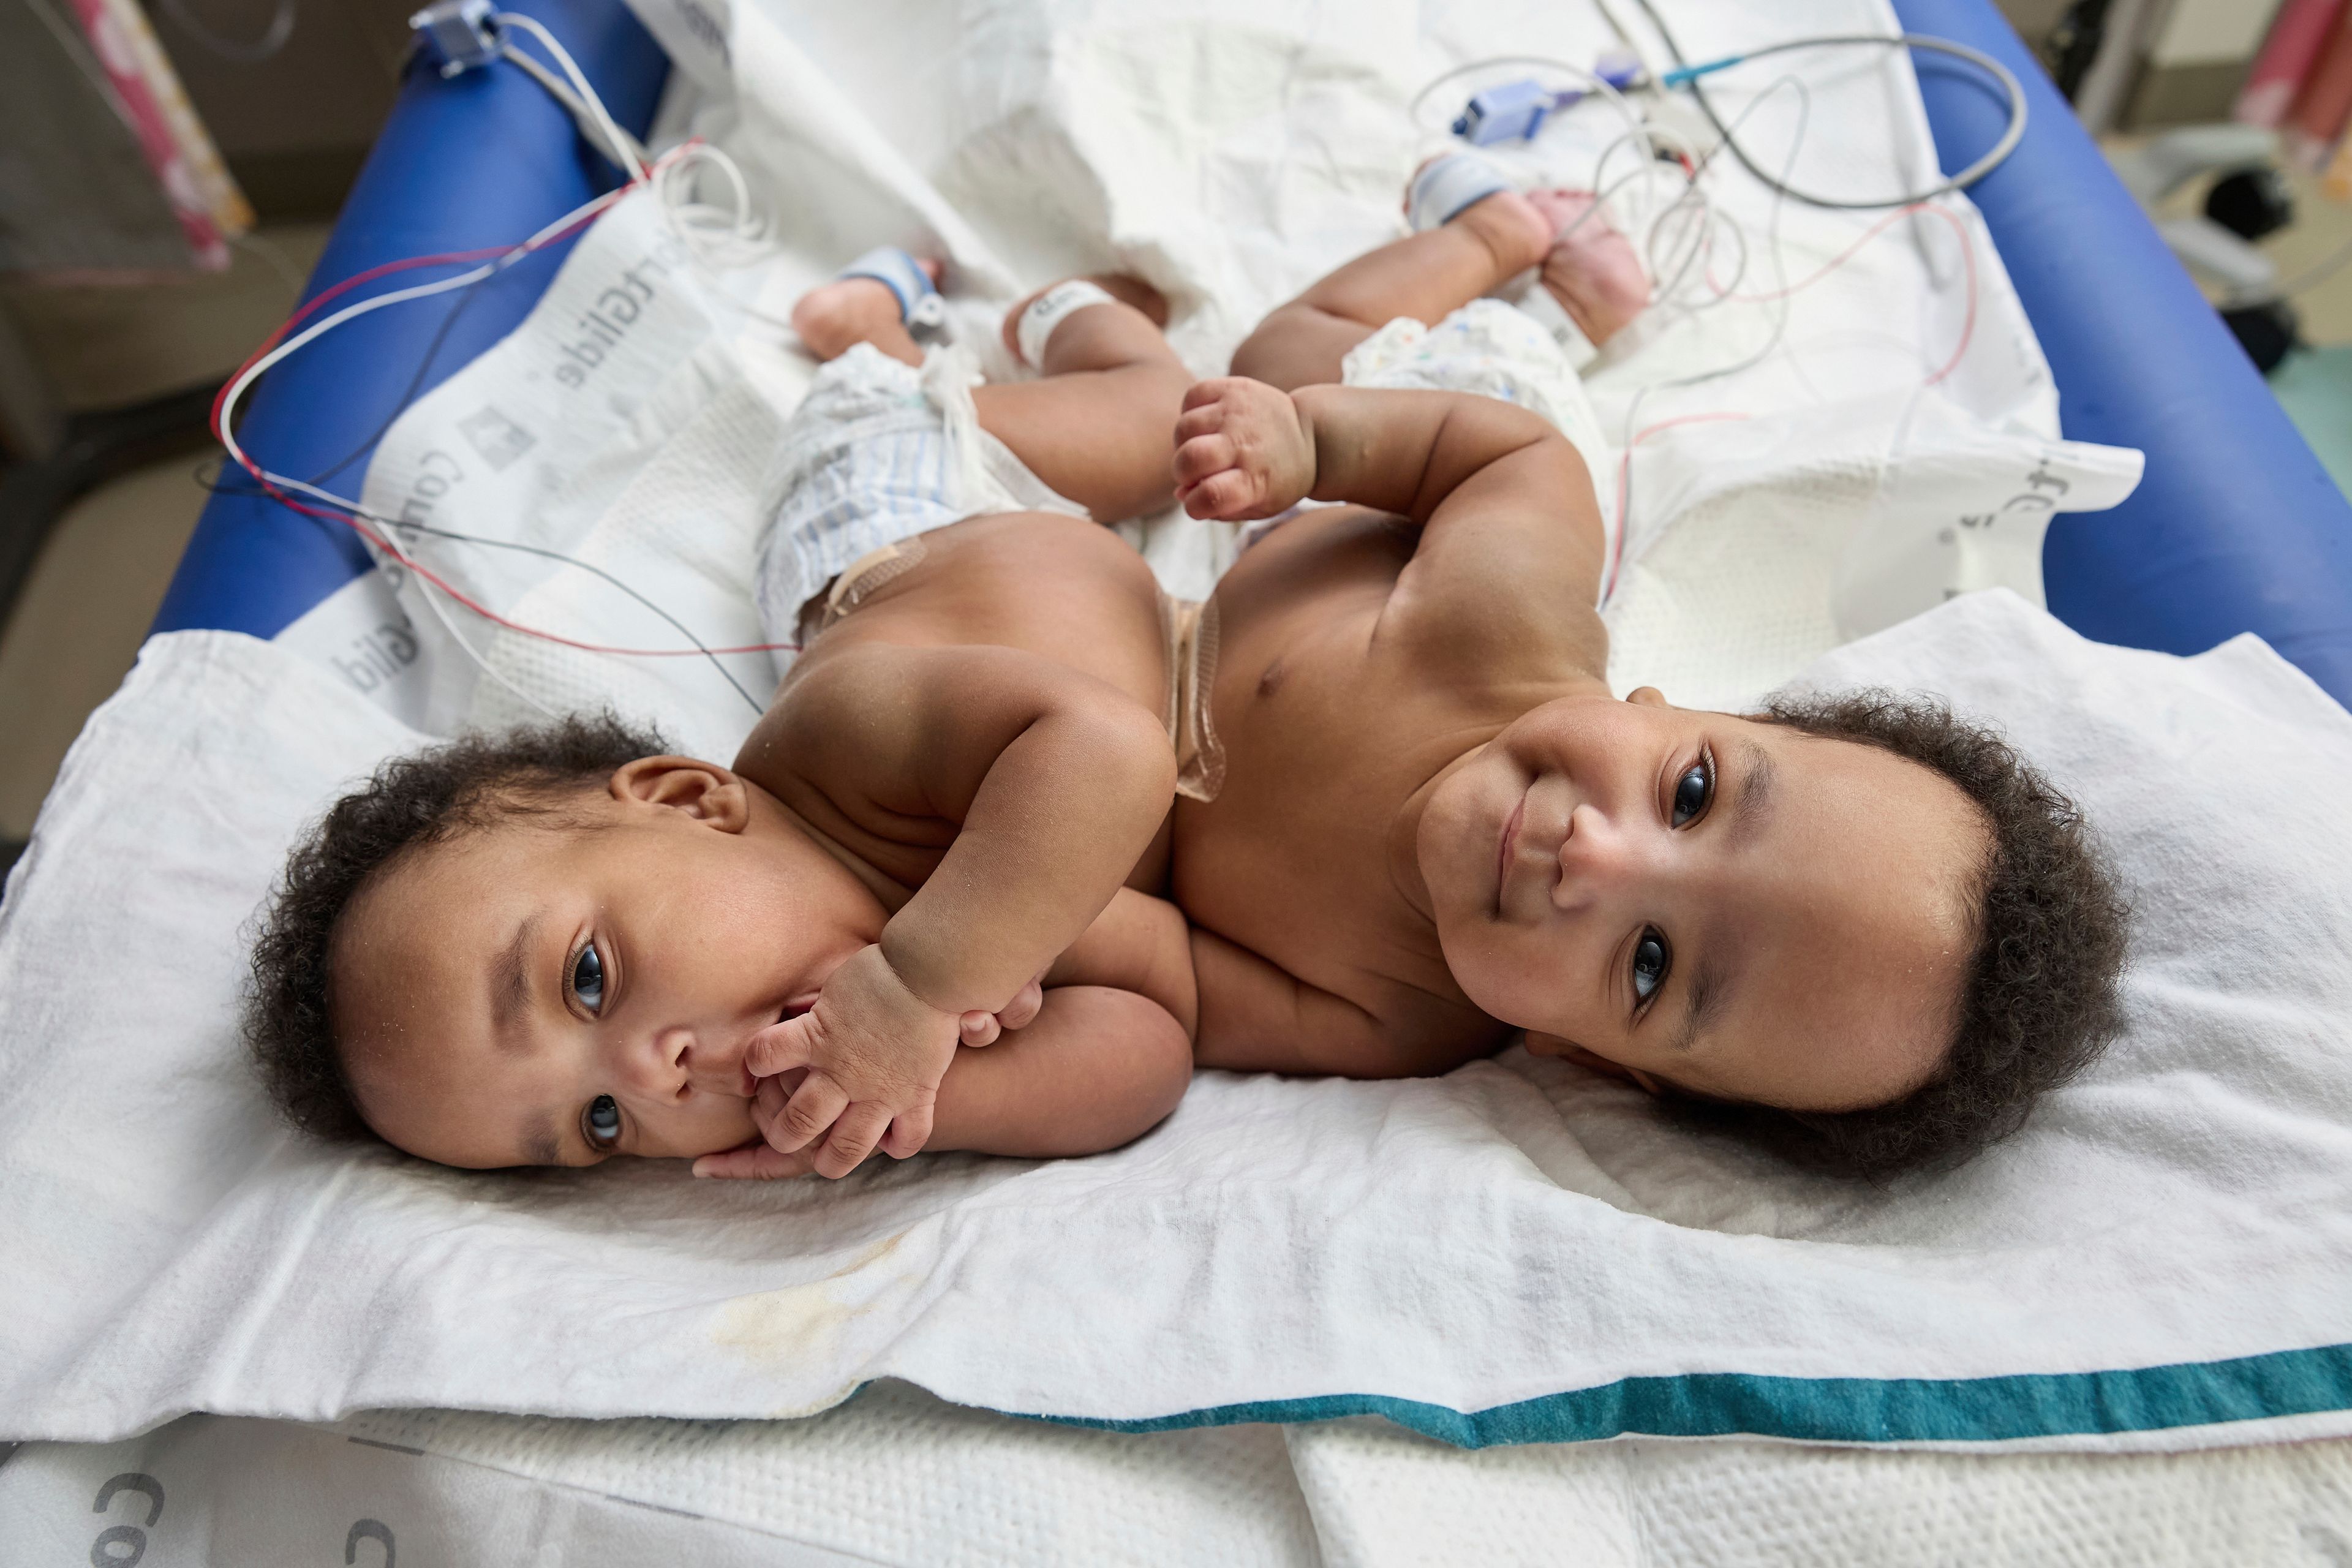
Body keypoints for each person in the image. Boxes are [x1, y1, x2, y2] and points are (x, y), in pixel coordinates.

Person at [1163, 155, 2129, 1175]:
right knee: (1279, 354)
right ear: (1675, 710)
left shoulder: (1389, 1017)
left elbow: (1176, 978)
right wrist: (1312, 444)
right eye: (1692, 793)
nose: (1592, 858)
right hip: (1383, 463)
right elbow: (1507, 458)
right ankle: (1500, 240)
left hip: (1152, 658)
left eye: (1651, 967)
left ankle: (1575, 297)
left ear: (1594, 1059)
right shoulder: (1495, 622)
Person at [246, 257, 1212, 1180]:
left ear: (687, 799)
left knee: (1167, 425)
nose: (652, 1079)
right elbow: (1156, 1045)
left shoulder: (847, 742)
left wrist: (923, 988)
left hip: (913, 506)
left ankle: (1024, 319)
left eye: (588, 979)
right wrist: (911, 1102)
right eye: (600, 1125)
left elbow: (1104, 753)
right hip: (1130, 634)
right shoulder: (864, 1022)